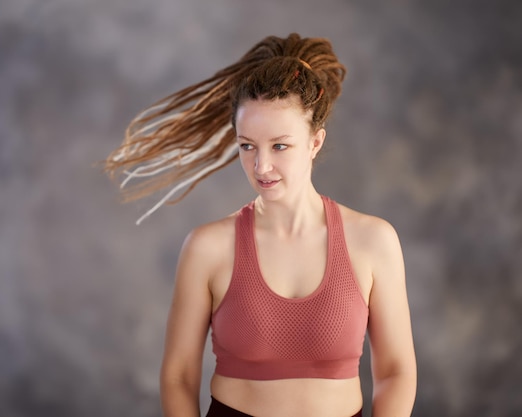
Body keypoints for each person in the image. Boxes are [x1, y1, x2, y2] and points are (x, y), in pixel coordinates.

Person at [103, 33, 416, 417]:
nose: (261, 166)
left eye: (279, 146)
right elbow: (179, 377)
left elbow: (396, 372)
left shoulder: (373, 242)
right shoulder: (207, 248)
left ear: (315, 142)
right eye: (247, 146)